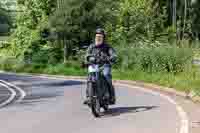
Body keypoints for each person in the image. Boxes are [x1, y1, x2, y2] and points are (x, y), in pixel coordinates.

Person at [84, 28, 117, 105]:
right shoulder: (91, 46)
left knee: (106, 75)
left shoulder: (107, 47)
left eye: (100, 36)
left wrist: (112, 57)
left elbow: (113, 54)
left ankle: (112, 96)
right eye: (97, 36)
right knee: (89, 77)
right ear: (95, 37)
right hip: (94, 65)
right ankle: (89, 96)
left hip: (105, 65)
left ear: (103, 38)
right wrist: (87, 58)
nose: (98, 38)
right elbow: (87, 55)